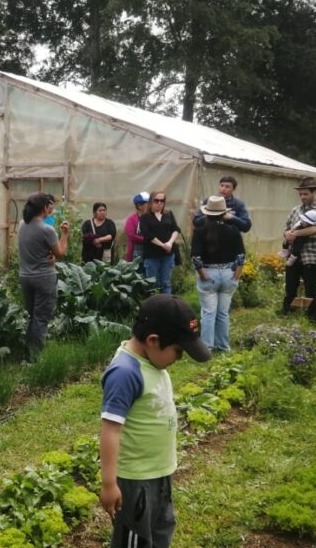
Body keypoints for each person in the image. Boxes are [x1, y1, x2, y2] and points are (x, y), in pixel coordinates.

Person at [100, 294, 211, 548]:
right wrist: (108, 483)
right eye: (178, 352)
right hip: (135, 481)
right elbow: (110, 430)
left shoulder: (153, 363)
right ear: (153, 341)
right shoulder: (125, 373)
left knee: (161, 530)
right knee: (136, 539)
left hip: (159, 474)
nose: (179, 359)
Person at [18, 191, 70, 358]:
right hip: (44, 278)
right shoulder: (47, 229)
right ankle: (34, 357)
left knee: (32, 316)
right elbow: (61, 252)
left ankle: (27, 352)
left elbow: (38, 250)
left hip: (25, 277)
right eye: (50, 206)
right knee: (41, 319)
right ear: (45, 208)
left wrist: (49, 255)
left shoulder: (21, 225)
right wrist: (65, 234)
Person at [191, 195, 245, 353]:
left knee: (208, 313)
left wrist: (202, 274)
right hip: (229, 273)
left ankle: (207, 347)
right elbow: (241, 256)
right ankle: (223, 346)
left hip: (209, 273)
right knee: (223, 313)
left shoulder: (200, 231)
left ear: (207, 214)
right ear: (224, 213)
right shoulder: (233, 230)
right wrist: (236, 275)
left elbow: (195, 257)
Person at [282, 177, 316, 319]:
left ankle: (312, 318)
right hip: (293, 254)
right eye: (300, 194)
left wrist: (296, 233)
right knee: (290, 287)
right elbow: (285, 228)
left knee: (311, 289)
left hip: (311, 255)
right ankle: (288, 314)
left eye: (306, 194)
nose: (302, 197)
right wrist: (287, 233)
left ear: (314, 192)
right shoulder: (295, 210)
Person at [139, 191, 181, 294]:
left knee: (166, 283)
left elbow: (176, 229)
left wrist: (170, 243)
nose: (159, 203)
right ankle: (154, 307)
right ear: (151, 201)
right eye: (156, 200)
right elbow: (147, 234)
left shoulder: (168, 213)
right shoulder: (145, 217)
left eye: (162, 201)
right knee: (152, 283)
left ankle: (167, 307)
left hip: (168, 253)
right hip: (152, 254)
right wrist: (162, 245)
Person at [124, 192, 150, 264]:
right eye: (147, 204)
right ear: (139, 206)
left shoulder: (152, 217)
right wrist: (147, 239)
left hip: (151, 250)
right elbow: (131, 235)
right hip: (137, 251)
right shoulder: (131, 219)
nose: (150, 206)